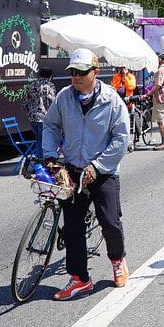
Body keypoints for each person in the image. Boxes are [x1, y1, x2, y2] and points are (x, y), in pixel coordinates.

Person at [42, 48, 130, 300]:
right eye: (73, 72)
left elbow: (121, 139)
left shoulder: (112, 100)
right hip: (72, 169)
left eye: (82, 72)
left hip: (103, 170)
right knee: (72, 227)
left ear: (95, 72)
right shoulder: (63, 98)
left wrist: (97, 167)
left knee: (110, 222)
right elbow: (50, 126)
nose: (76, 77)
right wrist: (49, 155)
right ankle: (80, 278)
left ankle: (117, 260)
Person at [24, 67, 56, 155]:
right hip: (44, 118)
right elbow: (53, 103)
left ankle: (39, 160)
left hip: (32, 118)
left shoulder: (30, 85)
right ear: (49, 76)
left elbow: (25, 103)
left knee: (39, 140)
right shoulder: (49, 86)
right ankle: (41, 162)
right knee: (43, 142)